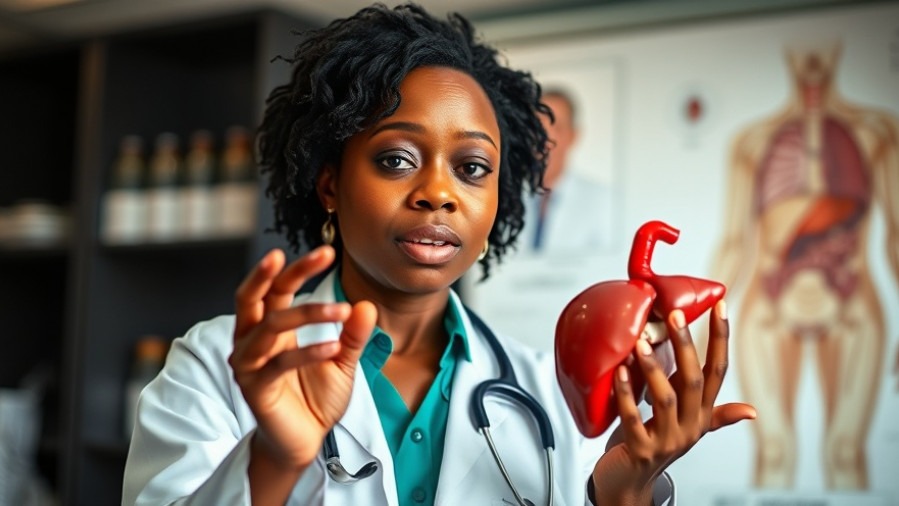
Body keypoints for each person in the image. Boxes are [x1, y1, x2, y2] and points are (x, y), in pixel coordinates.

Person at [122, 4, 756, 505]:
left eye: (472, 167)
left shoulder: (552, 392)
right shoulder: (215, 365)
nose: (438, 194)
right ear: (331, 184)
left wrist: (623, 495)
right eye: (397, 158)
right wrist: (273, 460)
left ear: (497, 203)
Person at [707, 41, 899, 490]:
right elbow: (735, 242)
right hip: (769, 302)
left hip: (850, 298)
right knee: (773, 450)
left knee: (845, 450)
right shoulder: (751, 141)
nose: (812, 60)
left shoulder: (877, 132)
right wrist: (697, 333)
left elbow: (895, 232)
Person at [520, 88, 611, 254]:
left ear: (573, 136)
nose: (545, 140)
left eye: (556, 128)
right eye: (538, 127)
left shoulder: (604, 202)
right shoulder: (505, 200)